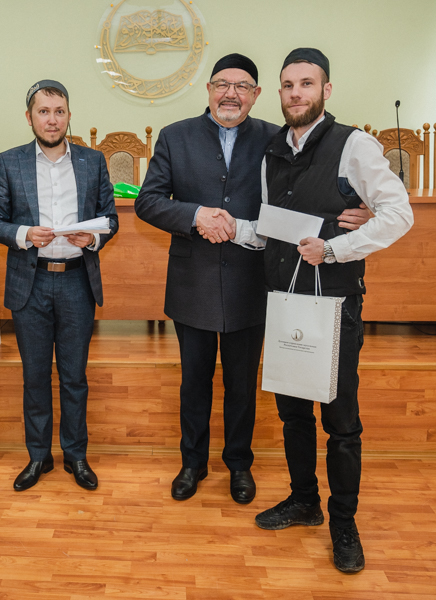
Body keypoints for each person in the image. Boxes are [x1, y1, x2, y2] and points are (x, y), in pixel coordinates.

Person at [135, 53, 371, 504]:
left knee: (242, 384)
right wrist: (195, 215)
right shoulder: (174, 136)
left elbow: (306, 196)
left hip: (254, 282)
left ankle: (239, 464)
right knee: (194, 381)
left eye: (242, 86)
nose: (231, 94)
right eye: (222, 84)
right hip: (192, 282)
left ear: (257, 94)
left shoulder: (276, 138)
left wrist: (356, 211)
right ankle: (192, 462)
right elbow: (148, 201)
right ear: (208, 90)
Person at [223, 48, 413, 573]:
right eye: (288, 85)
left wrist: (333, 249)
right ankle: (304, 500)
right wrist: (227, 225)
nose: (296, 93)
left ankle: (343, 524)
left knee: (340, 421)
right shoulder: (271, 151)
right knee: (292, 413)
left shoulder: (354, 144)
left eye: (306, 84)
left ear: (326, 90)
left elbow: (399, 214)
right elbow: (271, 230)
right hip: (284, 301)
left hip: (334, 304)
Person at [0, 80, 119, 492]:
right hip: (31, 283)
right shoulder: (9, 162)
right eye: (43, 111)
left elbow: (110, 218)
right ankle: (38, 456)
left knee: (74, 377)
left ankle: (76, 456)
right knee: (35, 377)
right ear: (29, 118)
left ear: (69, 116)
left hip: (77, 282)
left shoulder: (93, 161)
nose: (52, 119)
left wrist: (92, 238)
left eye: (59, 111)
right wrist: (24, 234)